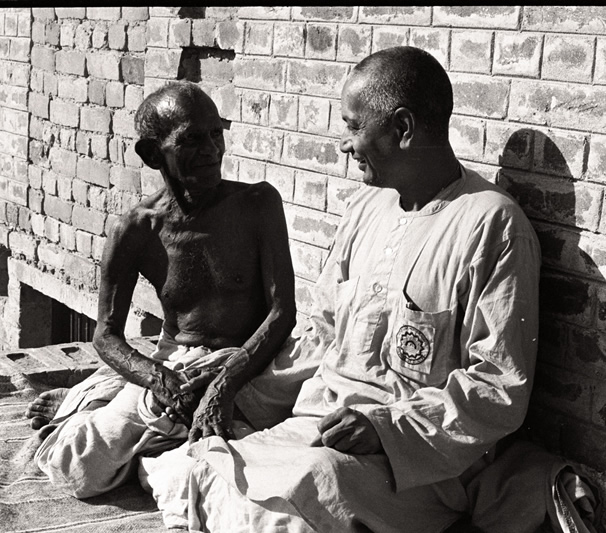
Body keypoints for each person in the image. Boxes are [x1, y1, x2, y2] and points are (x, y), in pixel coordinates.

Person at [150, 46, 566, 532]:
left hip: (416, 461)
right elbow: (323, 336)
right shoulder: (365, 207)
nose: (344, 145)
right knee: (191, 465)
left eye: (352, 127)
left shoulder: (492, 225)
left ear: (403, 128)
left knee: (298, 491)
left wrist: (385, 428)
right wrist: (236, 390)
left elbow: (497, 386)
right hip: (320, 423)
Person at [26, 81, 303, 499]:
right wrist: (159, 380)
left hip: (253, 360)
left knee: (259, 461)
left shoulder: (258, 204)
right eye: (191, 139)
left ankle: (130, 424)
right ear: (153, 154)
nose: (212, 150)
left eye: (216, 134)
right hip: (177, 363)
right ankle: (109, 411)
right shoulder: (135, 229)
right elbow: (105, 335)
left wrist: (223, 385)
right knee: (78, 466)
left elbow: (282, 312)